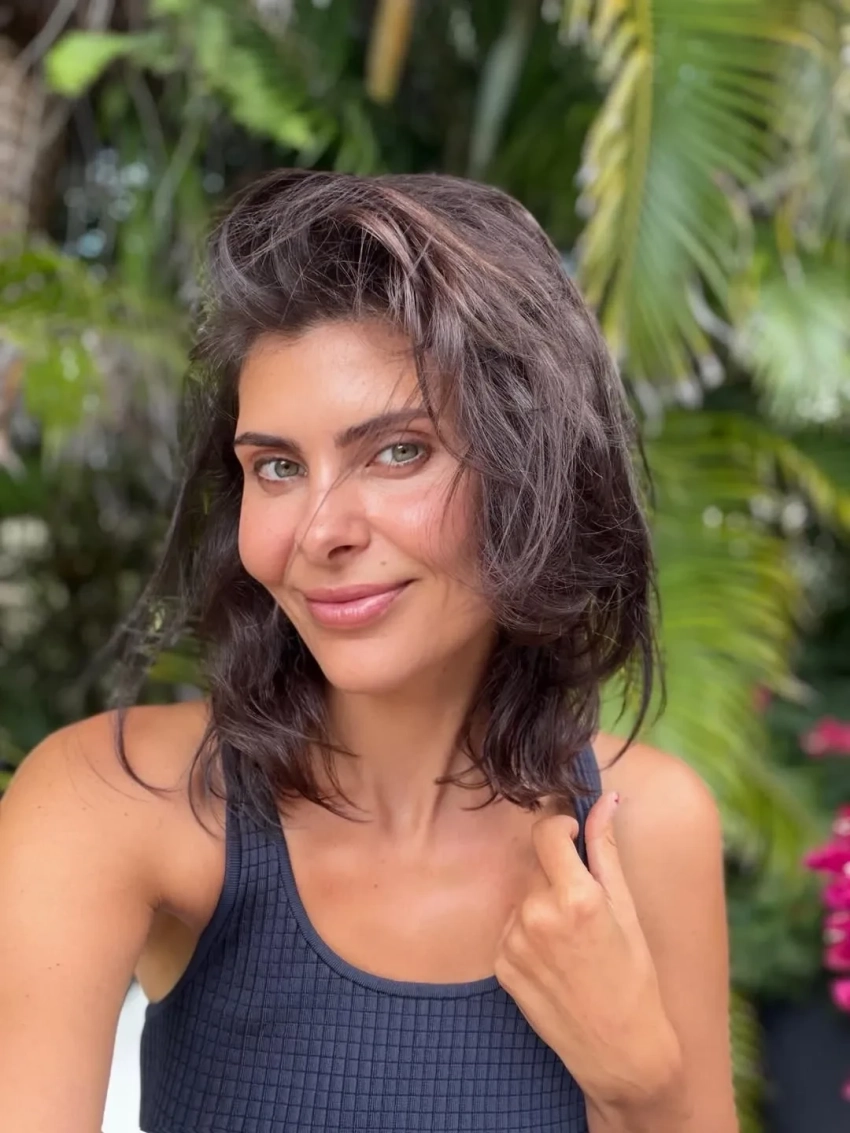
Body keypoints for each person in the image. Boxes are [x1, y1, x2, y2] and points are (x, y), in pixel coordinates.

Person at [0, 170, 736, 1133]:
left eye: (397, 452)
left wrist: (643, 1083)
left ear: (532, 473)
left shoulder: (646, 829)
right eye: (277, 467)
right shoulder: (112, 800)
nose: (320, 531)